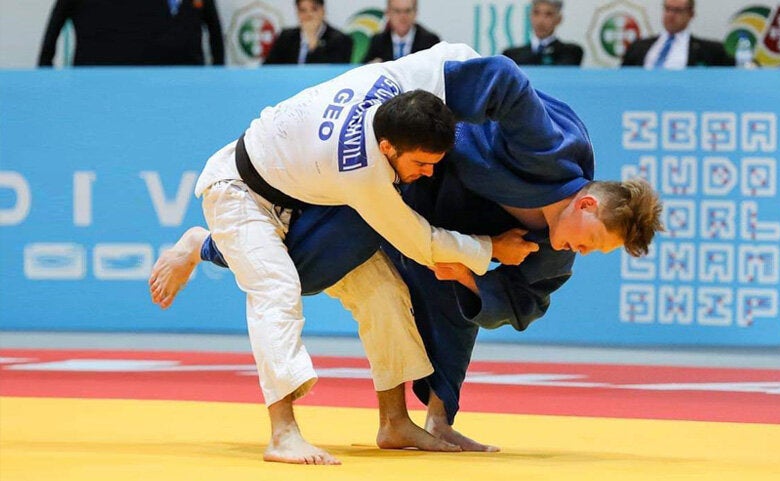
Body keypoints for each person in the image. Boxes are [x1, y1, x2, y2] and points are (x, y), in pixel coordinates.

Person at [151, 44, 664, 453]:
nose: (585, 252)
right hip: (352, 179)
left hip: (434, 208)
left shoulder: (550, 250)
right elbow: (504, 79)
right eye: (594, 242)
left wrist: (469, 276)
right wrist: (447, 108)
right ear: (588, 205)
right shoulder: (551, 150)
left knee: (426, 297)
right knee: (295, 277)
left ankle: (424, 422)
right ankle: (210, 250)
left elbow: (524, 302)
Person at [38, 0, 225, 67]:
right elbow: (56, 22)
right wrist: (45, 70)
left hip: (179, 76)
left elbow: (214, 30)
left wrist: (218, 74)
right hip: (93, 75)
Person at [621, 0, 733, 68]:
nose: (671, 15)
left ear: (691, 14)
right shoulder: (638, 47)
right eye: (668, 9)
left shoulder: (711, 51)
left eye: (677, 10)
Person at [264, 0, 352, 64]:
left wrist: (313, 41)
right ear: (297, 13)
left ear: (323, 11)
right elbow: (268, 68)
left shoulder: (341, 40)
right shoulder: (285, 37)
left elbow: (335, 73)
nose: (308, 15)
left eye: (314, 9)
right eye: (303, 10)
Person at [502, 0, 583, 66]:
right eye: (536, 13)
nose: (541, 21)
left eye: (548, 14)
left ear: (559, 19)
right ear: (529, 16)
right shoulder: (511, 55)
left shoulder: (571, 52)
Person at [362, 0, 440, 63]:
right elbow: (364, 69)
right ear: (388, 13)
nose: (402, 17)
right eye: (397, 11)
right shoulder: (378, 41)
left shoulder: (430, 41)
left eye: (407, 11)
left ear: (415, 12)